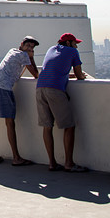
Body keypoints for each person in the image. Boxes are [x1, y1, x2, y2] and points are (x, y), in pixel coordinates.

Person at [36, 33, 88, 172]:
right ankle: (69, 163)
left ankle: (52, 163)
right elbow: (79, 75)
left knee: (47, 127)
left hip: (40, 88)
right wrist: (81, 75)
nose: (76, 46)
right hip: (55, 89)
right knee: (69, 126)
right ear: (69, 43)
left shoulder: (51, 49)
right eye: (75, 43)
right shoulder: (73, 51)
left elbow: (55, 68)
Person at [0, 35, 40, 165]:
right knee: (10, 123)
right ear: (22, 44)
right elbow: (35, 74)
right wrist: (31, 57)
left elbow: (17, 73)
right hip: (4, 89)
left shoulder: (12, 51)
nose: (29, 48)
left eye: (32, 48)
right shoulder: (23, 55)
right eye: (28, 46)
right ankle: (16, 158)